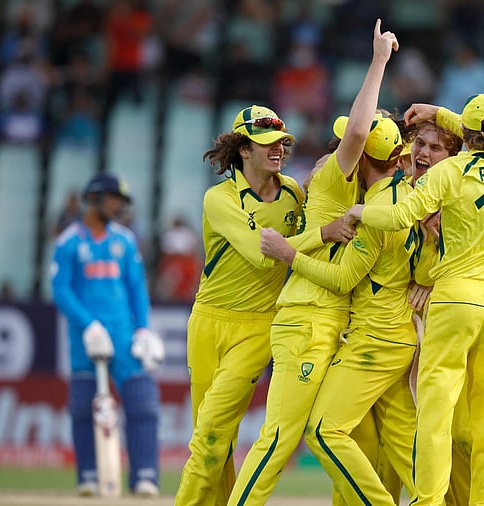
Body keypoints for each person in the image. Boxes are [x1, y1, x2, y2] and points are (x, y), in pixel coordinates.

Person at [345, 93, 484, 505]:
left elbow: (401, 216)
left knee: (435, 414)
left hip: (455, 299)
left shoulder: (451, 172)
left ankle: (429, 502)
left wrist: (358, 214)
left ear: (465, 135)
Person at [228, 19, 399, 505]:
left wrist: (379, 63)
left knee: (307, 438)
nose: (329, 155)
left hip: (320, 321)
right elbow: (363, 132)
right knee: (294, 436)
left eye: (341, 147)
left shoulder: (352, 192)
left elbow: (364, 131)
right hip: (312, 320)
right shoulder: (338, 190)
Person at [174, 104, 352, 505]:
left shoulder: (295, 192)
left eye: (282, 142)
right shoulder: (219, 199)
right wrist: (321, 233)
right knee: (213, 438)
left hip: (258, 326)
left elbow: (318, 212)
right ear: (243, 149)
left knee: (211, 433)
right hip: (207, 322)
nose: (278, 149)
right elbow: (261, 252)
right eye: (267, 142)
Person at [258, 121, 420, 505]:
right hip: (400, 334)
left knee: (322, 431)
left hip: (374, 338)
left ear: (362, 158)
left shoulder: (372, 213)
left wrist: (291, 255)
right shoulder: (413, 194)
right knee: (404, 443)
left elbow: (344, 279)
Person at [51, 172, 164, 497]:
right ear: (93, 198)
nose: (117, 206)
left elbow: (137, 289)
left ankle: (145, 475)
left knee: (142, 401)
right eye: (113, 199)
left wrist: (143, 328)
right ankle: (88, 475)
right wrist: (88, 325)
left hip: (124, 333)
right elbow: (60, 290)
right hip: (85, 336)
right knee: (84, 406)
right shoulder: (69, 242)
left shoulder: (124, 240)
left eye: (120, 201)